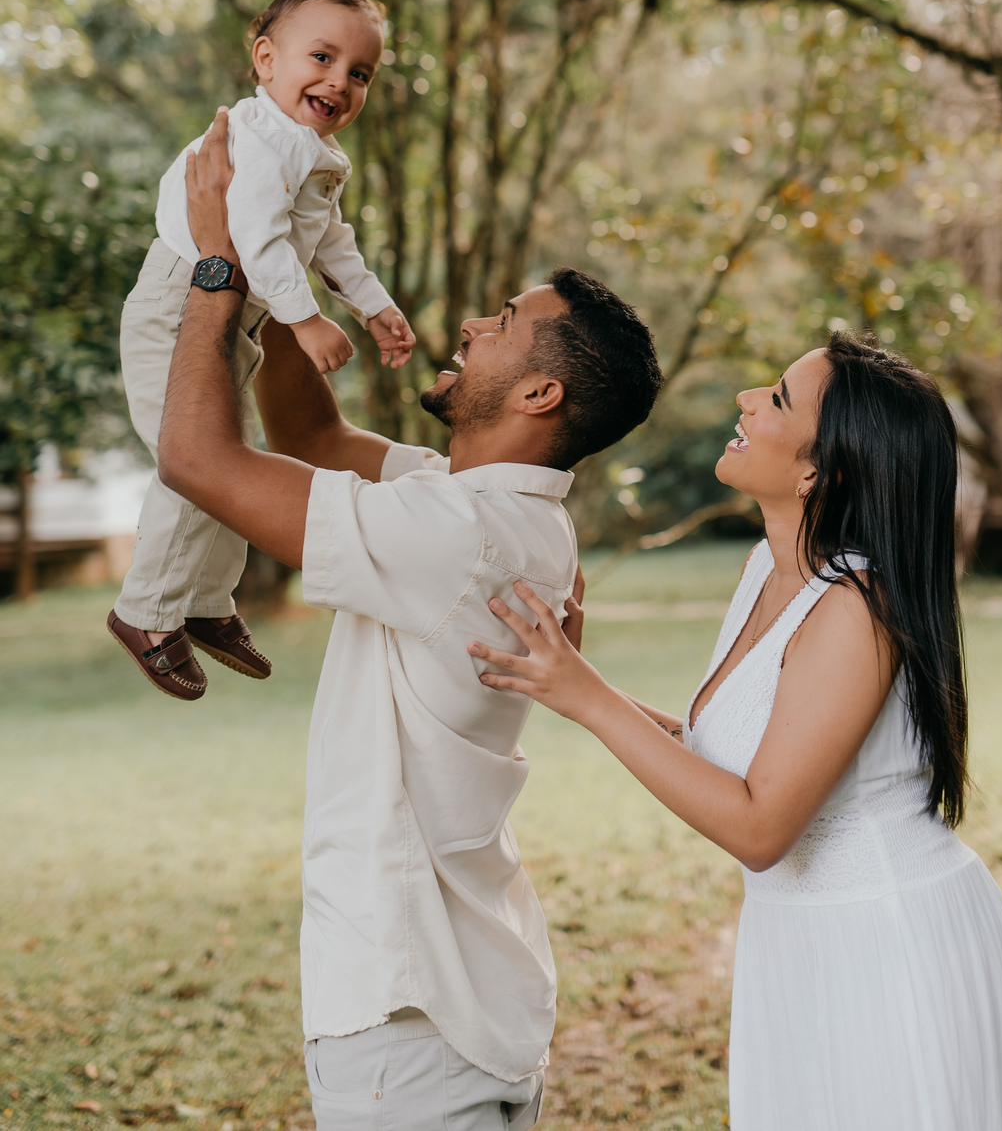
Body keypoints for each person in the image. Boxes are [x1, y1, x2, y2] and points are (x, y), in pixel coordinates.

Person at [154, 111, 664, 1129]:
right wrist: (286, 263)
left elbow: (198, 460)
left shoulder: (457, 529)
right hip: (466, 1007)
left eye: (503, 322)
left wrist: (216, 266)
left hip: (408, 1019)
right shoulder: (502, 510)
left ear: (538, 389)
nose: (471, 325)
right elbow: (306, 429)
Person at [468, 332, 1002, 1131]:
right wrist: (573, 677)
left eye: (777, 398)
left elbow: (760, 824)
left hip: (889, 948)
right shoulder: (768, 569)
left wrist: (591, 699)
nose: (747, 399)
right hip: (803, 944)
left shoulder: (856, 609)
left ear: (821, 470)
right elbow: (731, 755)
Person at [108, 0, 415, 698]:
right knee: (193, 464)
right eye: (322, 56)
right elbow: (254, 234)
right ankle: (144, 612)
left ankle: (207, 602)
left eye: (360, 72)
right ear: (266, 59)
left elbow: (332, 241)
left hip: (230, 318)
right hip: (177, 305)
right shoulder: (256, 136)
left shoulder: (314, 154)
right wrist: (306, 320)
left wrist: (374, 306)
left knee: (231, 463)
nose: (339, 80)